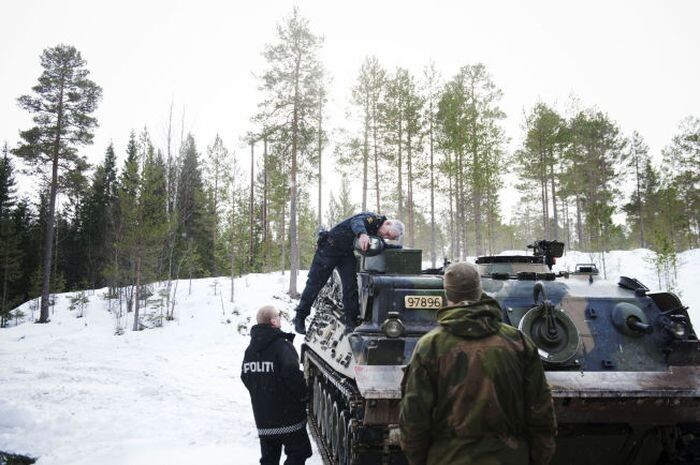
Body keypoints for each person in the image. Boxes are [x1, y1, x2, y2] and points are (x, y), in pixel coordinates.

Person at [399, 262, 557, 465]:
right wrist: (536, 458)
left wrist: (422, 459)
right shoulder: (517, 342)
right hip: (509, 457)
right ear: (479, 291)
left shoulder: (430, 346)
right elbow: (541, 411)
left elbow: (414, 419)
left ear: (448, 295)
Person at [292, 212, 404, 334]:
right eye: (387, 233)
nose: (385, 236)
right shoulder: (372, 218)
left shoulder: (377, 232)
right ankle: (300, 317)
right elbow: (356, 222)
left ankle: (351, 321)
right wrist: (362, 234)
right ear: (387, 223)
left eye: (389, 237)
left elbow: (382, 245)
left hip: (346, 254)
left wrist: (398, 248)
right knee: (315, 283)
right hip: (329, 248)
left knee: (350, 286)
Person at [241, 305, 312, 465]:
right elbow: (293, 375)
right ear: (273, 321)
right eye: (278, 315)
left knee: (269, 459)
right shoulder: (282, 346)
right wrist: (304, 394)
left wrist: (262, 394)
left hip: (264, 418)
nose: (280, 317)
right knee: (299, 452)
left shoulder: (250, 351)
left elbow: (246, 377)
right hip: (288, 417)